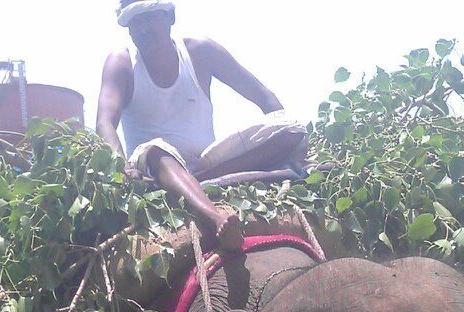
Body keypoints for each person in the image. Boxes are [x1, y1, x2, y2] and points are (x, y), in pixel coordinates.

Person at [96, 0, 308, 252]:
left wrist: (288, 144)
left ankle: (195, 182)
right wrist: (123, 166)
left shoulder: (200, 51)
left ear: (170, 17)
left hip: (207, 163)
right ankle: (216, 218)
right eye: (135, 22)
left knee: (292, 127)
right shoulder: (121, 63)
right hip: (154, 170)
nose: (143, 29)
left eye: (150, 18)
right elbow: (105, 121)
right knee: (155, 149)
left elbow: (264, 97)